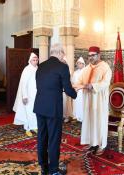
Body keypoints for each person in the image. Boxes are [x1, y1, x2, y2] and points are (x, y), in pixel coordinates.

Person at [33, 44, 77, 175]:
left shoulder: (40, 66)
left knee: (41, 137)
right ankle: (53, 170)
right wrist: (76, 93)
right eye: (63, 54)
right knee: (53, 139)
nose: (64, 56)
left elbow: (40, 85)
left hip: (39, 106)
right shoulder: (62, 67)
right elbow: (68, 89)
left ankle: (43, 167)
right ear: (59, 53)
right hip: (53, 108)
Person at [75, 46, 112, 155]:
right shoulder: (86, 69)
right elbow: (79, 81)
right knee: (89, 121)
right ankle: (91, 142)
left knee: (99, 122)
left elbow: (106, 83)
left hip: (99, 101)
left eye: (93, 55)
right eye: (89, 55)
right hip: (88, 101)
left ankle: (101, 145)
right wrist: (75, 86)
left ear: (98, 55)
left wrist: (93, 86)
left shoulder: (105, 67)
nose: (90, 57)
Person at [13, 53, 39, 137]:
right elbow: (23, 84)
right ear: (30, 61)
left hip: (36, 94)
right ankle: (27, 128)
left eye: (36, 60)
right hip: (28, 95)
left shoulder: (38, 69)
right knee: (27, 111)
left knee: (35, 111)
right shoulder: (27, 69)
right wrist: (24, 96)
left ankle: (34, 126)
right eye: (33, 60)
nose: (35, 62)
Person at [71, 57, 85, 122]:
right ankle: (76, 117)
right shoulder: (75, 72)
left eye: (80, 63)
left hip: (82, 91)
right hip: (76, 90)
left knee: (81, 103)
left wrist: (80, 87)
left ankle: (82, 118)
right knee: (76, 103)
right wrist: (74, 87)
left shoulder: (85, 72)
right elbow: (73, 81)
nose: (78, 65)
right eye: (78, 63)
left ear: (83, 64)